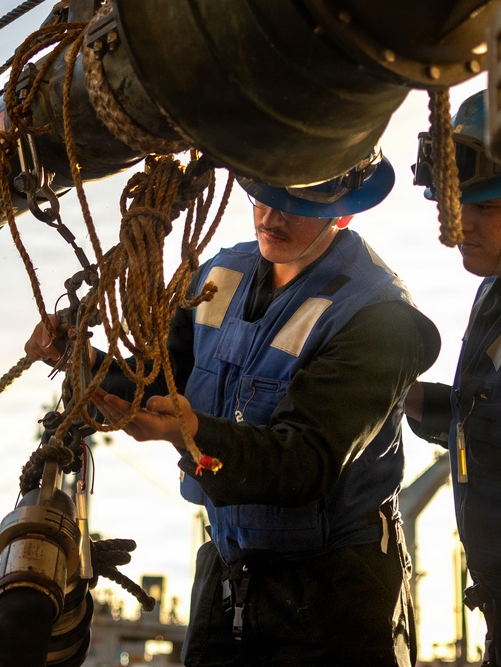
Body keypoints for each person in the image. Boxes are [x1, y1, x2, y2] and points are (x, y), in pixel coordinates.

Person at [26, 149, 441, 666]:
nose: (270, 216)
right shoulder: (221, 275)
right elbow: (156, 378)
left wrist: (189, 434)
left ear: (344, 209)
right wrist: (80, 360)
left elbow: (304, 461)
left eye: (294, 204)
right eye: (262, 197)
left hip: (335, 595)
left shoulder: (383, 317)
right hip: (228, 578)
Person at [405, 89, 501, 667]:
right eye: (457, 202)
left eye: (486, 207)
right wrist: (408, 398)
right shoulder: (495, 297)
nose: (460, 225)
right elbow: (487, 418)